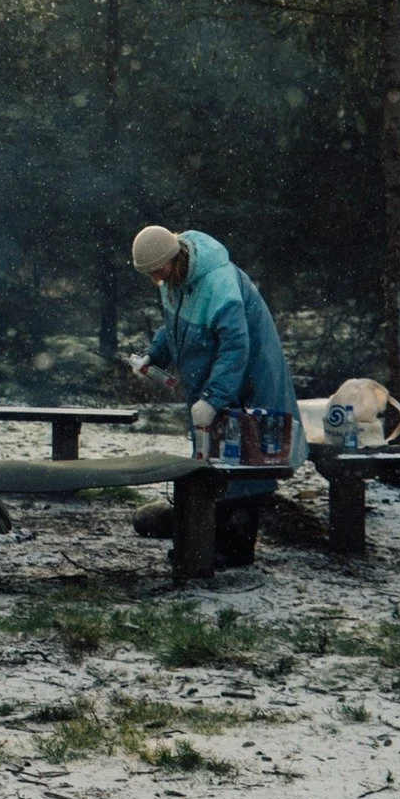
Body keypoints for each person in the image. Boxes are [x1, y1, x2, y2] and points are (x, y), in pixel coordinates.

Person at [128, 224, 302, 569]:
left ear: (173, 258)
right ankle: (207, 537)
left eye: (157, 271)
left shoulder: (219, 283)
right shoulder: (174, 280)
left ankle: (235, 549)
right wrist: (155, 355)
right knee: (212, 458)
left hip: (248, 379)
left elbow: (236, 347)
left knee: (242, 460)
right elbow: (175, 323)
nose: (155, 279)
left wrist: (214, 397)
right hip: (214, 381)